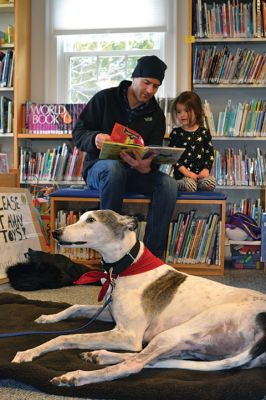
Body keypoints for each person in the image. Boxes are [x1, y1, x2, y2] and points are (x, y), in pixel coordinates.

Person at [72, 55, 177, 258]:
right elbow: (78, 134)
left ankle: (152, 256)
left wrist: (146, 167)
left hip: (135, 173)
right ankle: (111, 251)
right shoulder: (104, 99)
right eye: (147, 83)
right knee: (113, 168)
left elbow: (152, 156)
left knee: (168, 185)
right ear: (134, 77)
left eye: (156, 86)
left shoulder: (156, 114)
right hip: (100, 170)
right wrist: (95, 138)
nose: (150, 90)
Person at [169, 91, 216, 192]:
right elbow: (174, 159)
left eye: (187, 111)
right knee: (190, 185)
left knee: (211, 182)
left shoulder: (204, 132)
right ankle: (179, 184)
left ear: (197, 111)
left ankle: (199, 185)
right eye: (179, 111)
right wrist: (188, 173)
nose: (182, 115)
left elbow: (209, 154)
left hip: (200, 176)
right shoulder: (176, 133)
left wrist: (206, 170)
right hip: (183, 176)